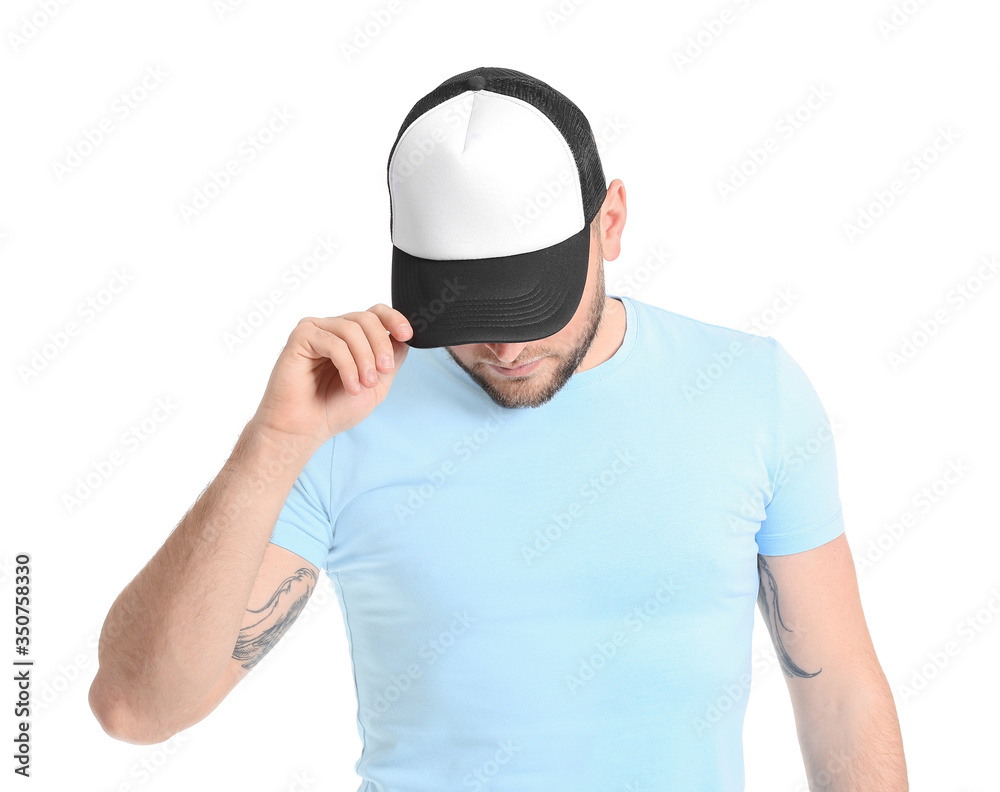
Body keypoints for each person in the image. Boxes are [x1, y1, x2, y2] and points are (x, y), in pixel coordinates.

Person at [89, 66, 908, 791]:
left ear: (611, 222)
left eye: (531, 301)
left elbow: (837, 689)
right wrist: (273, 444)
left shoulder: (748, 391)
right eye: (473, 308)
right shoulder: (338, 417)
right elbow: (134, 709)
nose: (507, 345)